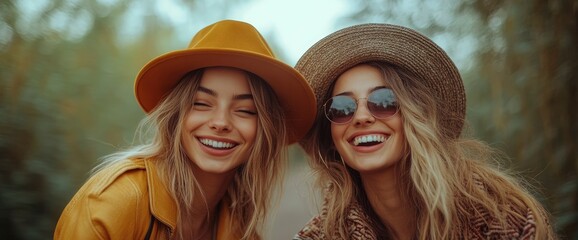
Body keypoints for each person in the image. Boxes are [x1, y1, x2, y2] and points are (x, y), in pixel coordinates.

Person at [54, 19, 316, 240]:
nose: (221, 122)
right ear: (176, 115)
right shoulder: (112, 203)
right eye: (201, 104)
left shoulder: (239, 229)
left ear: (264, 131)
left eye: (245, 110)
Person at [293, 23, 556, 239]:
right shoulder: (319, 236)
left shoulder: (505, 216)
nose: (361, 117)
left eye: (384, 101)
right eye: (342, 107)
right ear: (331, 136)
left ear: (417, 116)